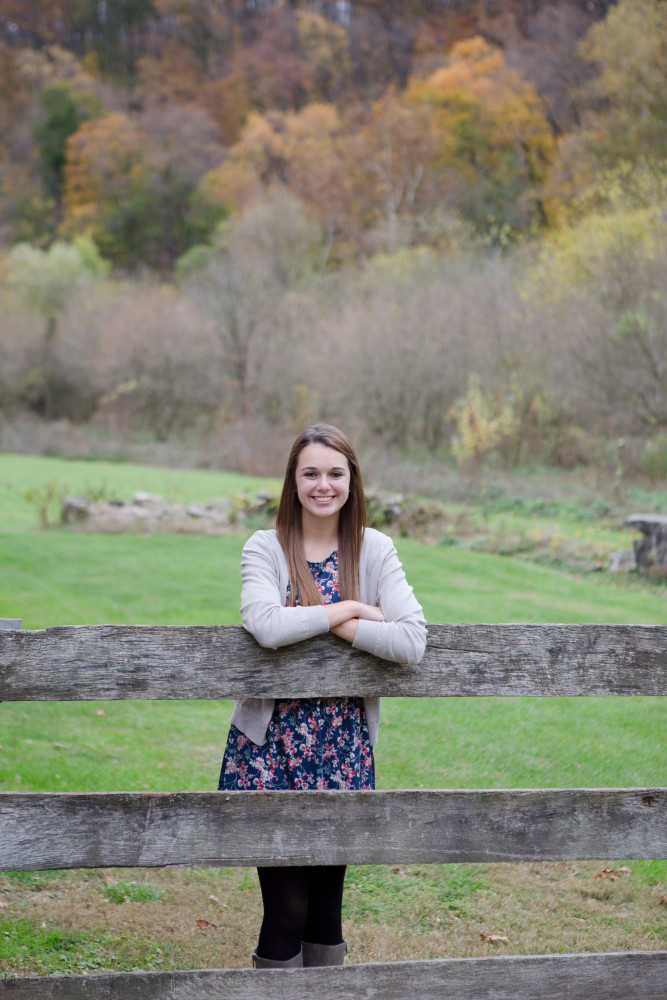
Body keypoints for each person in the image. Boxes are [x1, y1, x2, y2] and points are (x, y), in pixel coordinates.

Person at [218, 423, 427, 969]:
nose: (323, 484)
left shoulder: (373, 549)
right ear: (293, 480)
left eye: (335, 473)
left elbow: (410, 639)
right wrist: (351, 609)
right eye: (310, 472)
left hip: (342, 747)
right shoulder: (264, 548)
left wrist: (314, 621)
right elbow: (265, 625)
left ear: (352, 481)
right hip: (270, 751)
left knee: (326, 913)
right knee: (285, 910)